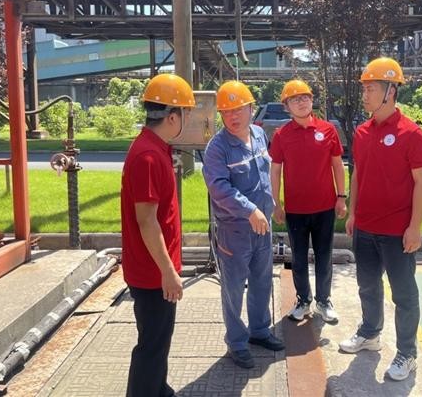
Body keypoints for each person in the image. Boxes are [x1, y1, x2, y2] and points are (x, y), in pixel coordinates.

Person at [339, 58, 422, 382]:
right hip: (365, 228)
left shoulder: (412, 134)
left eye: (371, 89)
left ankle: (407, 353)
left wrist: (415, 227)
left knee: (404, 295)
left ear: (391, 91)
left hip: (397, 232)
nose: (364, 95)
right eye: (364, 89)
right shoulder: (362, 132)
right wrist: (353, 212)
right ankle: (370, 333)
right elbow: (358, 174)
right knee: (367, 285)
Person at [121, 73, 196, 397]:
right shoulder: (148, 157)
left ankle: (159, 390)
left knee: (158, 342)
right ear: (172, 117)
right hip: (152, 273)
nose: (187, 120)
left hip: (154, 269)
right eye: (186, 113)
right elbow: (147, 221)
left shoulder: (155, 148)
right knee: (151, 346)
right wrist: (168, 271)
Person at [202, 80, 285, 369]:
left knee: (262, 281)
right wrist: (250, 210)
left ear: (251, 108)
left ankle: (260, 331)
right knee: (234, 289)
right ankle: (237, 343)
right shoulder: (217, 148)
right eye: (226, 112)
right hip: (234, 230)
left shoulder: (259, 135)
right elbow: (219, 187)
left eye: (238, 109)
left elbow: (266, 175)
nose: (232, 116)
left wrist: (273, 205)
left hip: (262, 226)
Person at [269, 79, 347, 324]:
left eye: (305, 97)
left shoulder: (328, 130)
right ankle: (303, 300)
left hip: (325, 207)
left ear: (312, 100)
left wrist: (341, 197)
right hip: (295, 210)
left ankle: (324, 301)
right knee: (299, 258)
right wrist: (276, 203)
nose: (301, 102)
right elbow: (275, 171)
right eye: (294, 99)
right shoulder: (281, 135)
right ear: (286, 107)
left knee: (324, 256)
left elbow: (337, 165)